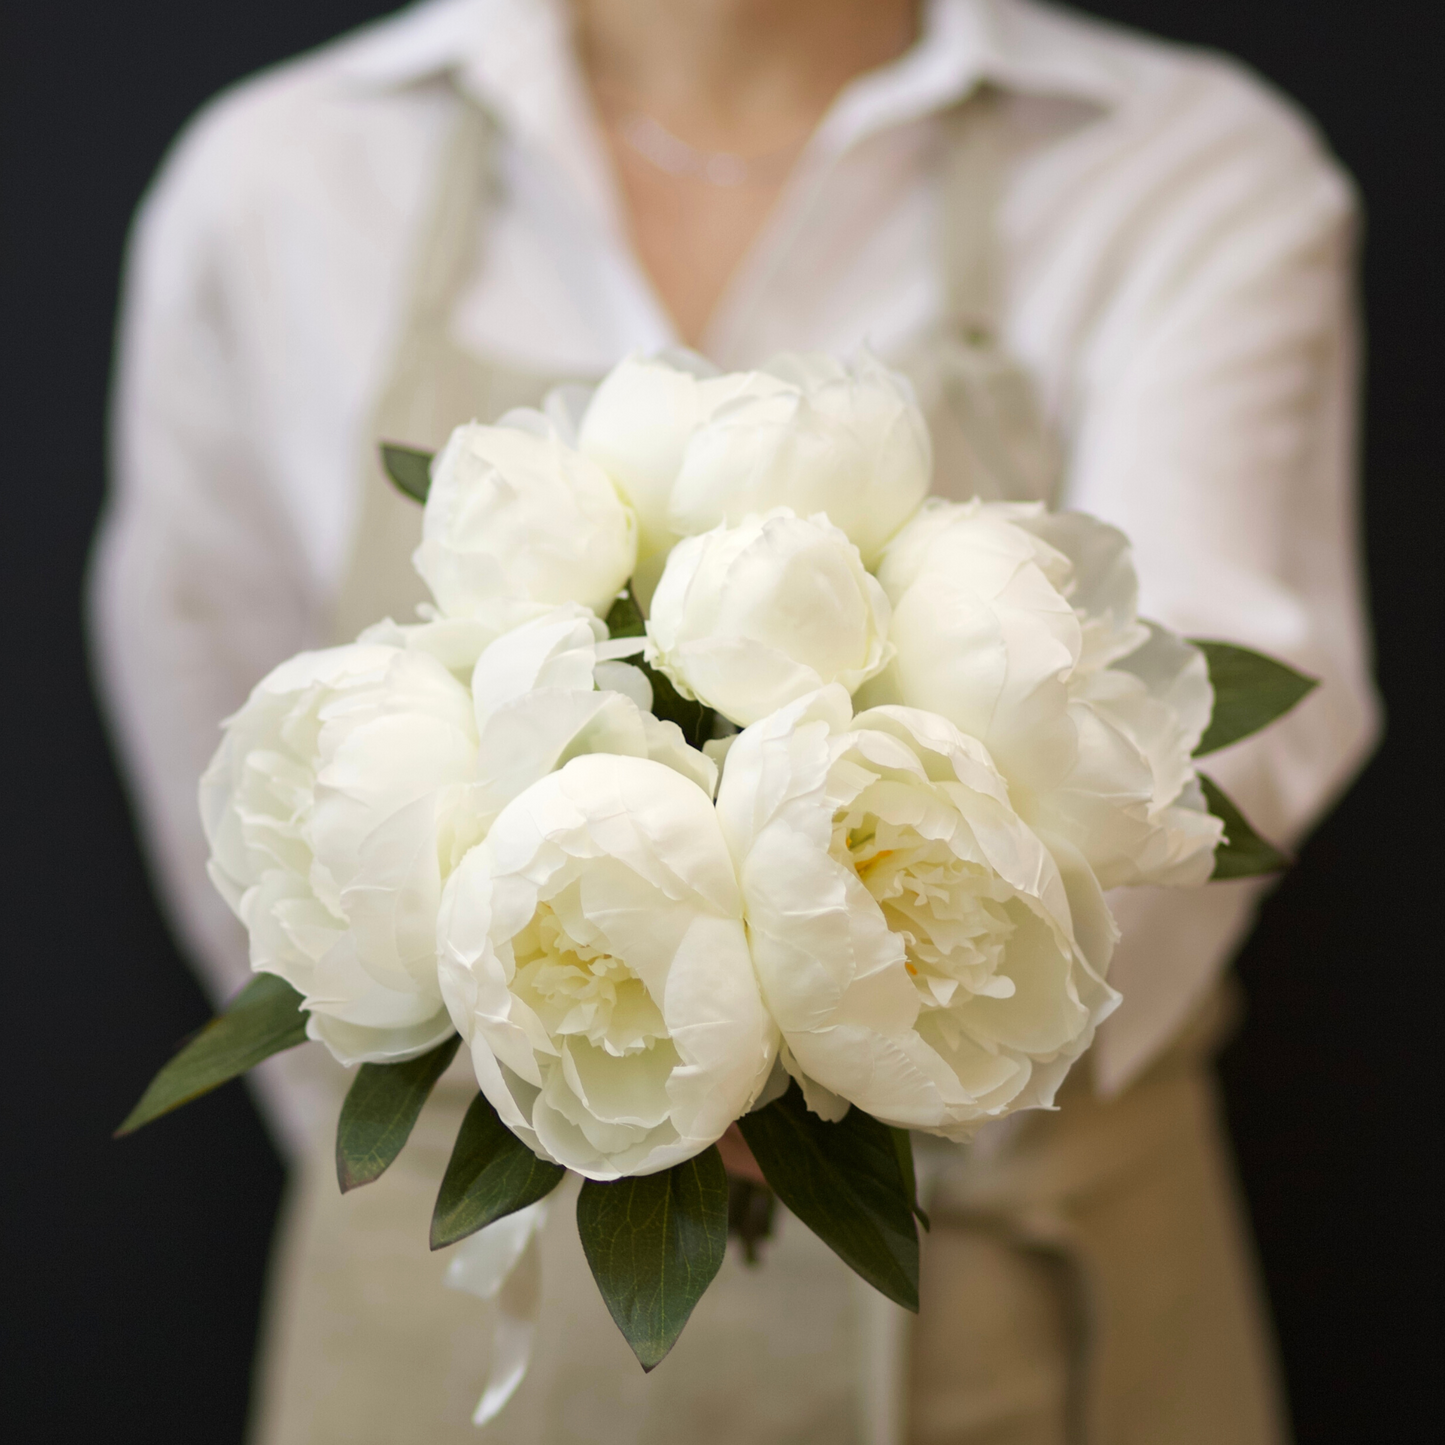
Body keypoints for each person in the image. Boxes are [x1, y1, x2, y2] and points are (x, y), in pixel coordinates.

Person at [88, 0, 1380, 1441]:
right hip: (447, 1347)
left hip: (1020, 1331)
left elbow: (1209, 732)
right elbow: (233, 730)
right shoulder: (286, 179)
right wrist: (512, 1071)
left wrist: (829, 1041)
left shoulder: (1178, 170)